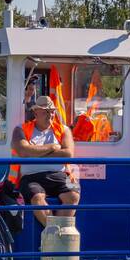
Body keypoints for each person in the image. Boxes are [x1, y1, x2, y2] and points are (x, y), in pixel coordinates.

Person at [11, 95, 80, 229]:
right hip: (31, 178)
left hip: (61, 175)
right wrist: (52, 147)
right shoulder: (20, 129)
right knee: (37, 199)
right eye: (45, 111)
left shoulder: (63, 129)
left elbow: (68, 154)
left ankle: (54, 235)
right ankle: (54, 234)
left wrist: (34, 152)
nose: (50, 115)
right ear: (35, 113)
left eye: (52, 111)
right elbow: (23, 151)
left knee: (73, 195)